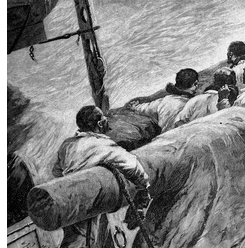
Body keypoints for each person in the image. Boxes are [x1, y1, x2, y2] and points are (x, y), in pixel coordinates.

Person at [52, 106, 151, 248]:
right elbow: (132, 165)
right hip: (86, 199)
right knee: (83, 240)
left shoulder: (67, 145)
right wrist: (143, 187)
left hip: (68, 198)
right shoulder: (101, 144)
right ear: (100, 124)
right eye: (104, 119)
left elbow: (56, 171)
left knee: (73, 238)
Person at [125, 68, 199, 132]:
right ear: (192, 84)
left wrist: (135, 107)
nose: (197, 87)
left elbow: (146, 108)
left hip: (164, 137)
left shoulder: (165, 100)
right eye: (195, 84)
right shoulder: (192, 103)